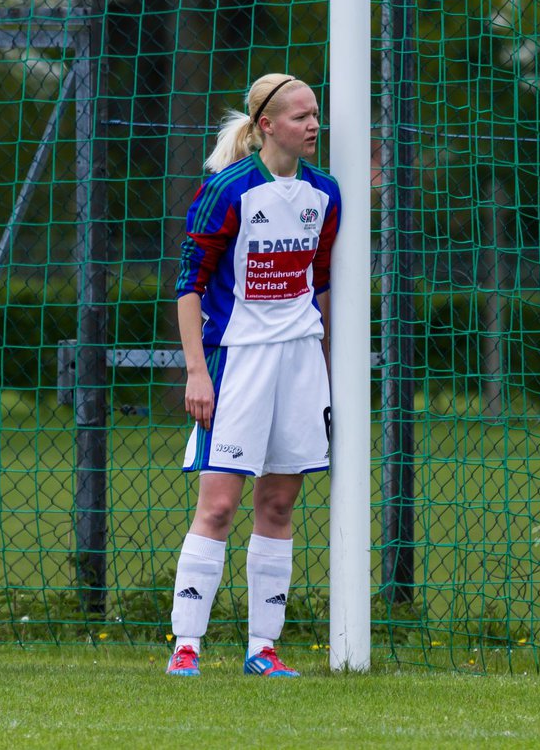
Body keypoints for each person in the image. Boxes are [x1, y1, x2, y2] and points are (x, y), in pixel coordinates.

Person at [166, 73, 341, 678]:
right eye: (299, 116)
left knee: (279, 502)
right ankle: (186, 645)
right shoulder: (228, 190)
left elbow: (319, 284)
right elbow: (188, 285)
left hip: (299, 361)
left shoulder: (326, 193)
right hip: (236, 362)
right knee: (217, 505)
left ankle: (262, 650)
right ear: (266, 125)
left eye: (315, 114)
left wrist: (321, 364)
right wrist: (197, 371)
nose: (312, 125)